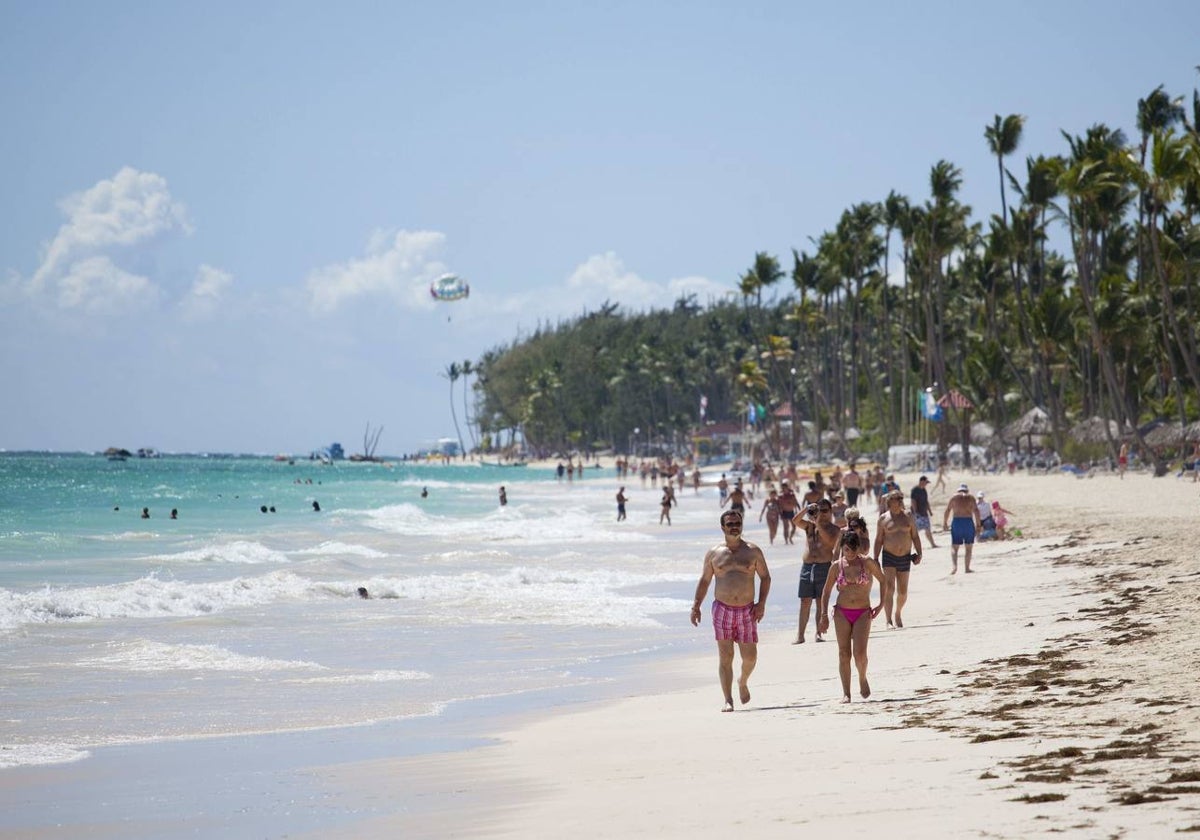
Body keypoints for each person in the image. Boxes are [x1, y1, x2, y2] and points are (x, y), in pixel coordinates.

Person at [690, 511, 771, 712]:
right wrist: (696, 606)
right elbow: (705, 580)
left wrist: (761, 603)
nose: (734, 526)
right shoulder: (714, 553)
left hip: (747, 610)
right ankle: (728, 700)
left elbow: (766, 577)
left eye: (737, 523)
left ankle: (742, 681)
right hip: (722, 610)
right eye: (730, 524)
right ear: (723, 527)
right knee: (725, 657)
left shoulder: (753, 551)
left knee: (750, 657)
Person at [817, 530, 886, 703]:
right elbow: (825, 592)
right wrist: (823, 615)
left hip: (863, 612)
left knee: (860, 653)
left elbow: (884, 581)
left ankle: (862, 677)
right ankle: (846, 693)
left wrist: (881, 605)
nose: (851, 553)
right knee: (843, 653)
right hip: (842, 613)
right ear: (842, 548)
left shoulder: (867, 563)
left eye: (854, 549)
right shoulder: (836, 566)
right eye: (847, 549)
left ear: (859, 547)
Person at [874, 489, 921, 629]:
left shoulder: (908, 516)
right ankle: (888, 620)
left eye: (901, 498)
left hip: (905, 557)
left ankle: (898, 613)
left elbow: (915, 536)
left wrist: (919, 553)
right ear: (890, 502)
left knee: (902, 592)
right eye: (897, 498)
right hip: (888, 556)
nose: (900, 500)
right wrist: (875, 558)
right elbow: (878, 539)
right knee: (889, 588)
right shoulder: (883, 518)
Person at [795, 499, 839, 644]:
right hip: (807, 566)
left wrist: (818, 522)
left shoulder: (834, 529)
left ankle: (818, 633)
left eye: (825, 511)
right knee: (804, 601)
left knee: (821, 601)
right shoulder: (809, 526)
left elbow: (828, 542)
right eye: (820, 510)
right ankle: (800, 635)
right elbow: (795, 521)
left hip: (823, 566)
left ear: (830, 512)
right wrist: (806, 509)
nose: (823, 514)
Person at [942, 483, 982, 574]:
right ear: (967, 490)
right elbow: (976, 511)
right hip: (968, 522)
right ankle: (967, 568)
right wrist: (978, 525)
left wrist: (944, 523)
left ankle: (954, 567)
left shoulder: (954, 498)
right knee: (968, 547)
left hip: (957, 522)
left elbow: (947, 510)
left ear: (958, 490)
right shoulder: (971, 498)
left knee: (954, 547)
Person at [910, 475, 938, 548]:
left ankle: (933, 544)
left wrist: (930, 511)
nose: (926, 484)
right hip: (917, 513)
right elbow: (913, 501)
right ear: (921, 481)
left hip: (924, 513)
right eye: (926, 482)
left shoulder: (924, 490)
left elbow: (926, 501)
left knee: (927, 529)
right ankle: (912, 545)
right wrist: (915, 513)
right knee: (915, 531)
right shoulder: (915, 490)